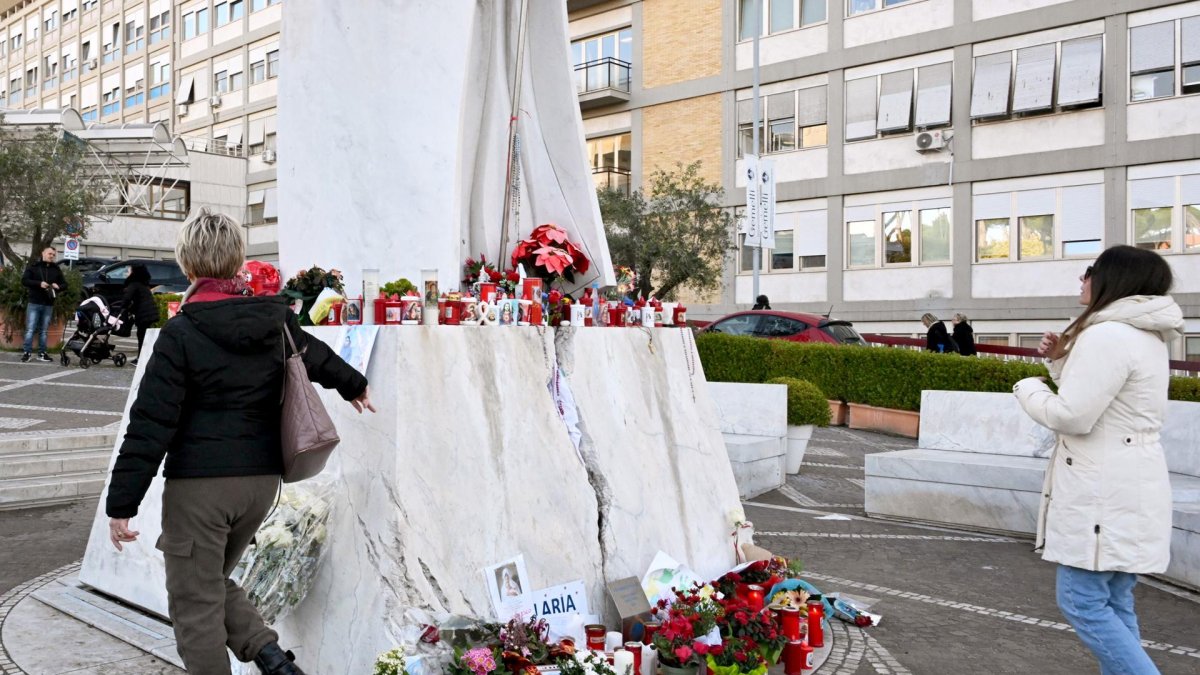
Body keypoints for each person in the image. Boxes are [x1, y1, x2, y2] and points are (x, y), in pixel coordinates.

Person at [104, 209, 376, 675]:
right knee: (207, 582)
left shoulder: (182, 333)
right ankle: (274, 659)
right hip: (262, 483)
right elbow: (315, 356)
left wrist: (121, 503)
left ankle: (269, 660)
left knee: (194, 606)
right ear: (238, 261)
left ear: (188, 267)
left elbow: (150, 424)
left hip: (202, 488)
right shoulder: (276, 321)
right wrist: (354, 384)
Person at [1013, 245, 1182, 675]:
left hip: (1103, 490)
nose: (1082, 279)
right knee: (1115, 601)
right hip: (1132, 482)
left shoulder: (1107, 336)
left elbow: (1073, 416)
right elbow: (1108, 402)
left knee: (1081, 600)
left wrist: (1028, 388)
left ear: (1113, 279)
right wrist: (1060, 364)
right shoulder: (1143, 335)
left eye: (1089, 271)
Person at [21, 246, 66, 363]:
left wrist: (58, 287)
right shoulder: (34, 267)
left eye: (53, 255)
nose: (51, 256)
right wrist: (38, 283)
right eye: (49, 254)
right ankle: (27, 352)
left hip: (48, 303)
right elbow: (24, 280)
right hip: (34, 302)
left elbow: (65, 284)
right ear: (43, 253)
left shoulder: (56, 269)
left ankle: (42, 353)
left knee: (44, 330)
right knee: (30, 329)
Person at [121, 264, 158, 366]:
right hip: (149, 313)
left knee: (141, 336)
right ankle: (144, 357)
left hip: (144, 315)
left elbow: (127, 298)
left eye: (129, 271)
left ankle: (141, 358)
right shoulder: (143, 284)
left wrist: (123, 307)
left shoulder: (134, 284)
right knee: (144, 336)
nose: (127, 273)